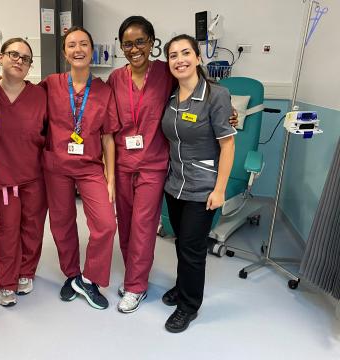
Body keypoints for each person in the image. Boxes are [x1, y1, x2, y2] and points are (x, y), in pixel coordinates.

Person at [107, 16, 238, 314]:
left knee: (143, 226)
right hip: (126, 165)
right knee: (125, 225)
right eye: (128, 43)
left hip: (154, 167)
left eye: (141, 41)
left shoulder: (164, 75)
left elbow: (203, 89)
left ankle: (137, 286)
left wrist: (229, 112)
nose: (134, 48)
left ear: (152, 43)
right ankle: (133, 277)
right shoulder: (116, 79)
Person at [161, 34, 236, 333]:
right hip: (174, 184)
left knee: (192, 249)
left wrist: (220, 190)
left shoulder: (216, 96)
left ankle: (189, 306)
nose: (179, 59)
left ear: (198, 57)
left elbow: (228, 146)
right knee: (182, 243)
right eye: (173, 55)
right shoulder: (170, 95)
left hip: (203, 187)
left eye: (185, 53)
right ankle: (182, 286)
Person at [41, 26, 119, 310]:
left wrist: (110, 177)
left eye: (84, 44)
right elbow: (23, 100)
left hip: (90, 166)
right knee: (61, 222)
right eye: (72, 45)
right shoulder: (50, 83)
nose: (78, 49)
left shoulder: (103, 90)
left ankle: (90, 278)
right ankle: (72, 274)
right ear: (65, 53)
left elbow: (109, 137)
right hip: (56, 165)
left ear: (92, 50)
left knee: (106, 225)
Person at [0, 38, 48, 307]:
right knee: (8, 229)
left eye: (25, 58)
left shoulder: (39, 95)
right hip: (4, 179)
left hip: (35, 175)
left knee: (33, 227)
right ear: (1, 58)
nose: (19, 61)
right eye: (14, 54)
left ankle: (26, 271)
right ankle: (5, 280)